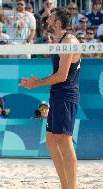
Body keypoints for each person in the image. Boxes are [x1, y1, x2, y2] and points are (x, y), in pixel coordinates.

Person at [20, 8, 81, 189]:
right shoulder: (59, 41)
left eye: (51, 18)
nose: (47, 20)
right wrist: (37, 81)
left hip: (66, 95)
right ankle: (65, 185)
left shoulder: (69, 40)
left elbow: (62, 76)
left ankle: (72, 187)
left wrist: (36, 83)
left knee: (64, 140)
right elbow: (58, 74)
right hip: (58, 94)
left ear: (58, 23)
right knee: (51, 140)